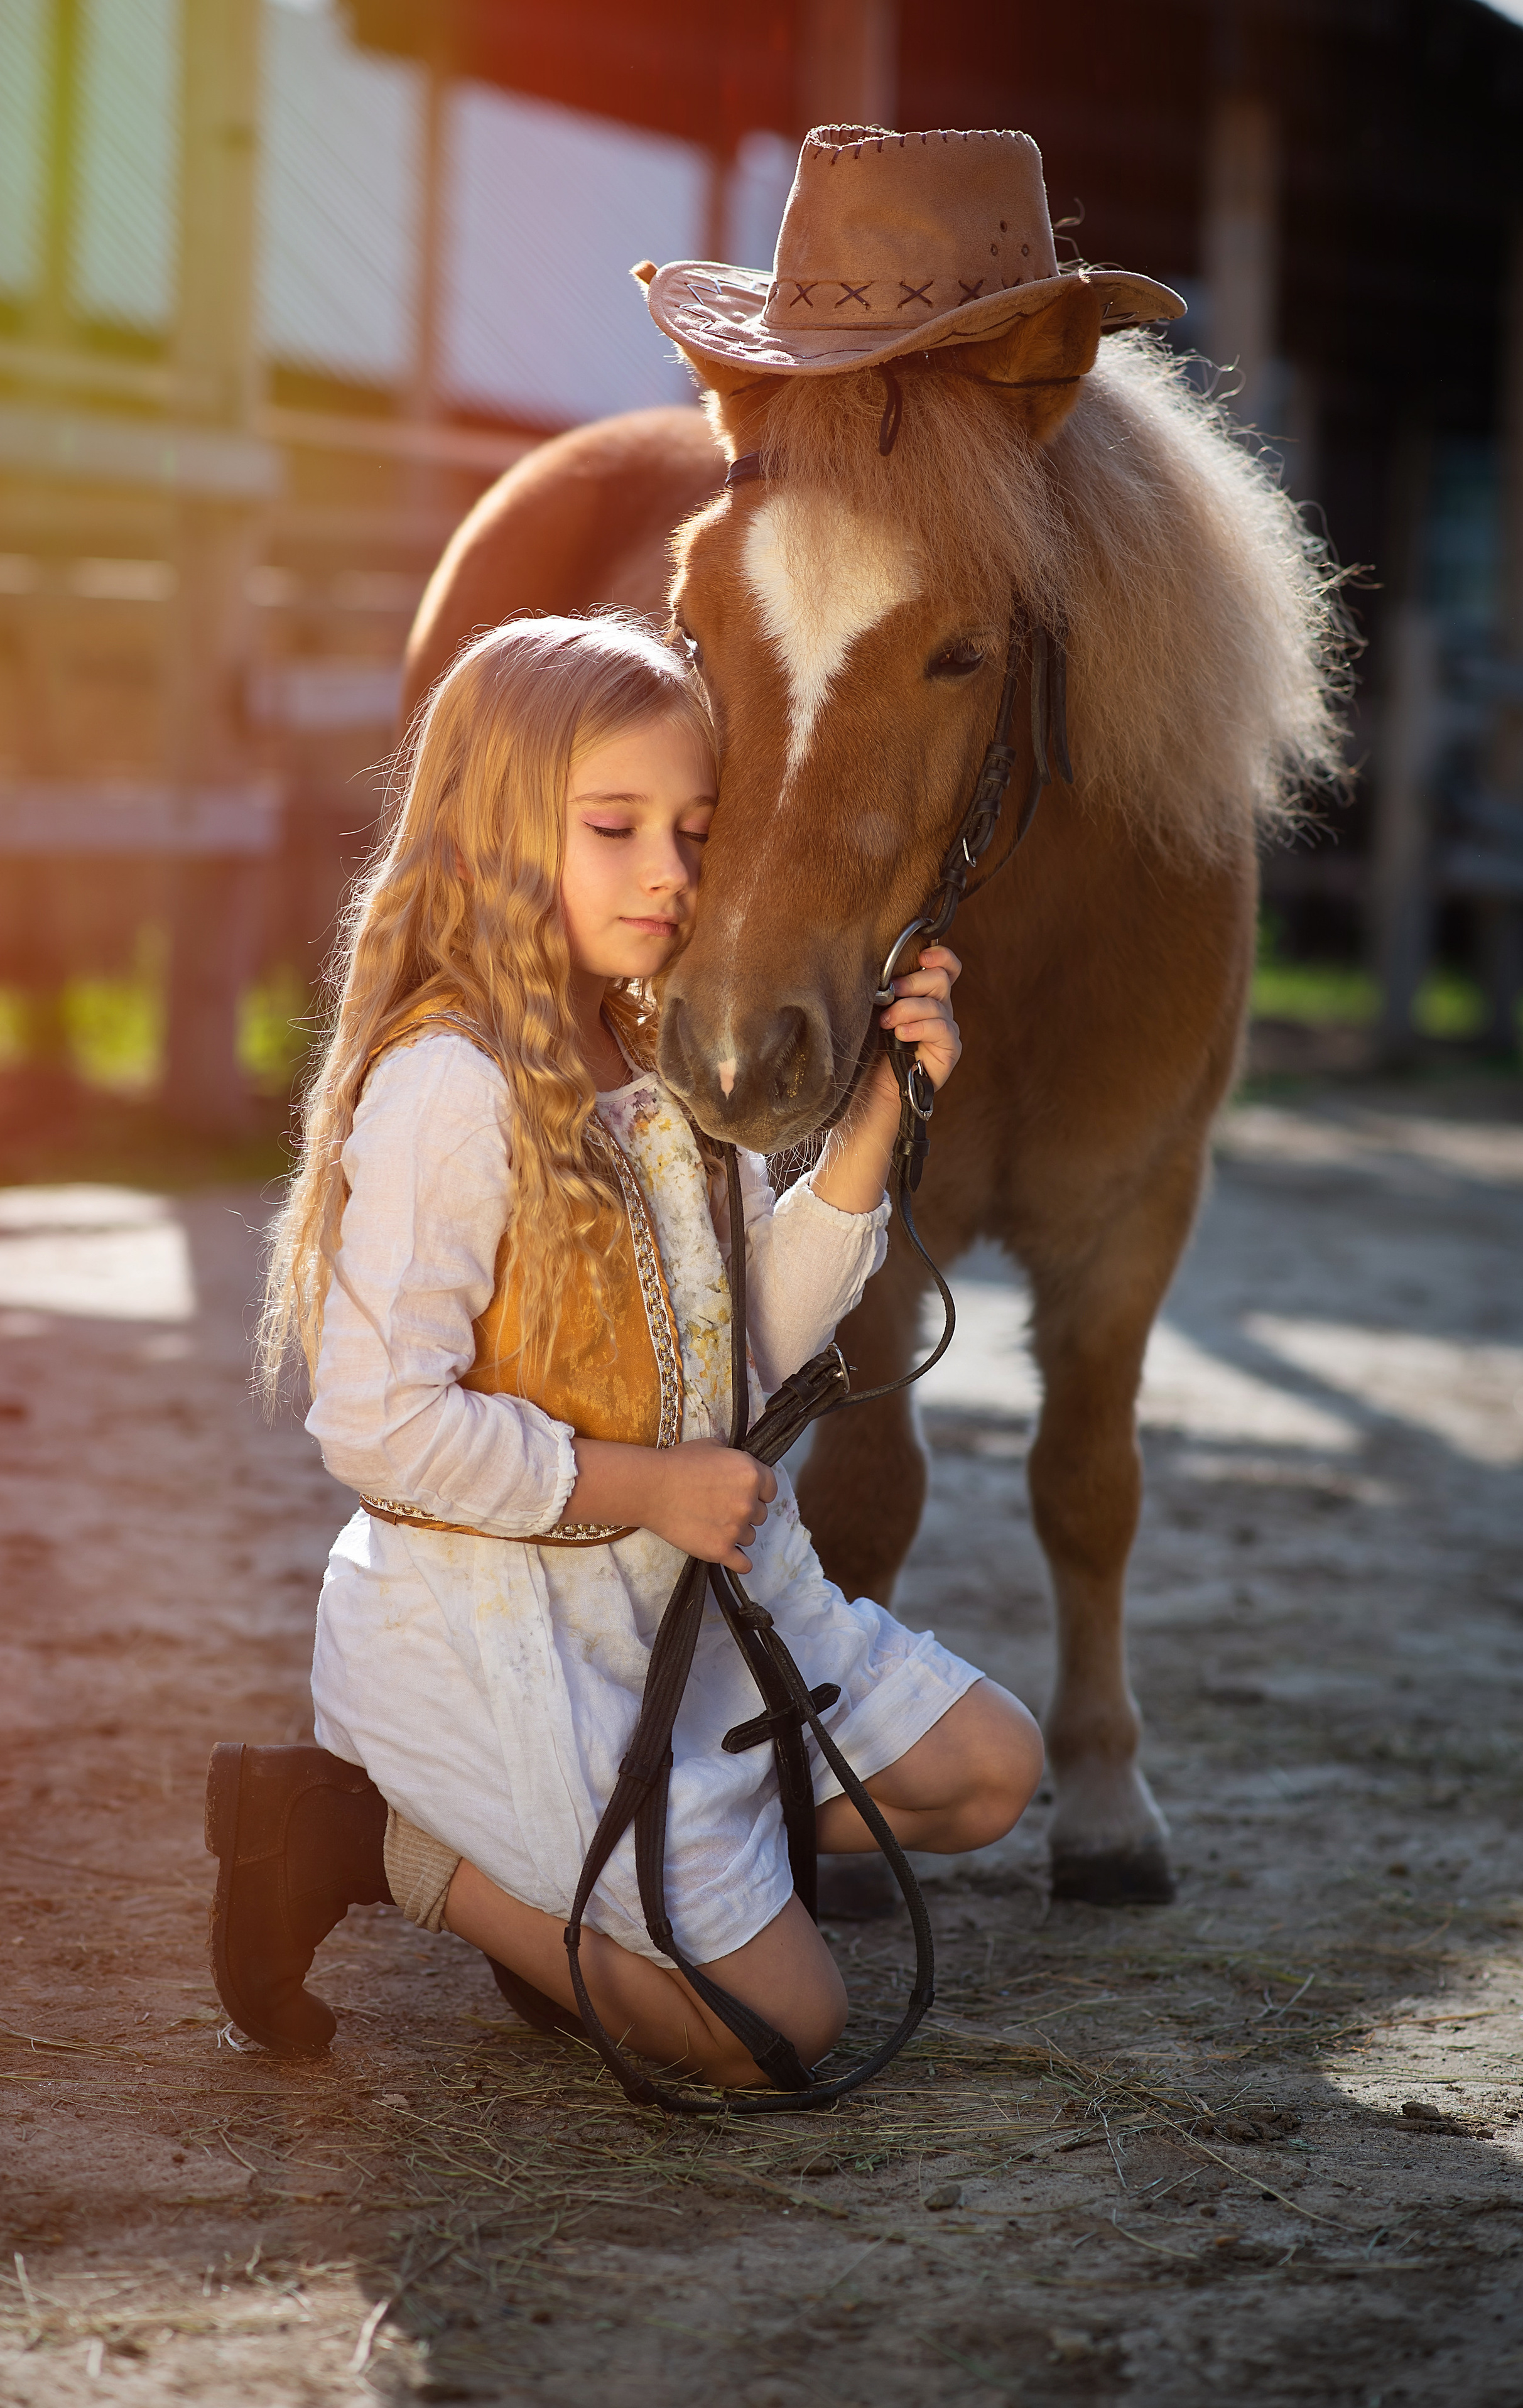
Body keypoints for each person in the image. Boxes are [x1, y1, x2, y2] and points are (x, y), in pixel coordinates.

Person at [207, 613, 1043, 2086]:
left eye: (693, 829)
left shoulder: (647, 1054)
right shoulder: (450, 1090)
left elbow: (747, 1343)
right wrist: (645, 1484)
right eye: (615, 827)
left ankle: (611, 1892)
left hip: (680, 1609)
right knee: (778, 2038)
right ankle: (365, 1839)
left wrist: (874, 1119)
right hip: (506, 1630)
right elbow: (377, 1425)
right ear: (491, 834)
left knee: (992, 1774)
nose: (669, 869)